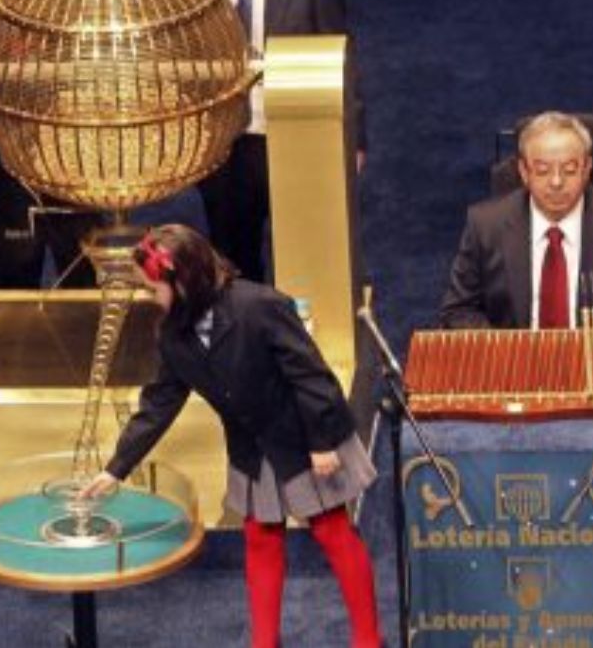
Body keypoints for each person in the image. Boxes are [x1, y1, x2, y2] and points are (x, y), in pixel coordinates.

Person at [81, 224, 381, 648]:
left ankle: (368, 640)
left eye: (154, 289)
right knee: (260, 538)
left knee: (332, 531)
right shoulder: (172, 336)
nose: (151, 299)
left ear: (182, 282)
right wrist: (117, 468)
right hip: (251, 449)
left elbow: (312, 376)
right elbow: (159, 404)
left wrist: (321, 443)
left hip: (304, 438)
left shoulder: (259, 306)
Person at [192, 0, 366, 283]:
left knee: (305, 258)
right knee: (232, 264)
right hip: (223, 146)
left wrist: (353, 136)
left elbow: (338, 58)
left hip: (295, 134)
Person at [438, 111, 593, 339]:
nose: (556, 182)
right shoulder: (486, 225)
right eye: (542, 170)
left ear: (586, 169)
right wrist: (506, 355)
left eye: (569, 170)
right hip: (515, 370)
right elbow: (458, 311)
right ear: (524, 171)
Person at [0, 0, 104, 287]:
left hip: (77, 202)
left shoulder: (81, 55)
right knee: (13, 296)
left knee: (84, 298)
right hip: (10, 206)